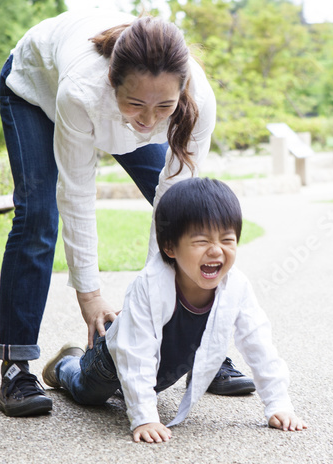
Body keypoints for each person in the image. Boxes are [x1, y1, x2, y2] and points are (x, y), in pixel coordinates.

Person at [0, 9, 255, 418]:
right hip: (33, 90)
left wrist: (157, 306)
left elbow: (174, 208)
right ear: (113, 84)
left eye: (164, 107)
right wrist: (91, 296)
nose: (150, 121)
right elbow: (77, 192)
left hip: (114, 107)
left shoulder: (198, 100)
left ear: (182, 89)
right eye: (137, 104)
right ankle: (16, 368)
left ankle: (199, 353)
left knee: (186, 217)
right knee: (38, 218)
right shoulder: (82, 91)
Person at [40, 178, 308, 443]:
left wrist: (279, 404)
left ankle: (131, 391)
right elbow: (136, 355)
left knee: (139, 388)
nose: (216, 250)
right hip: (112, 359)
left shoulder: (235, 285)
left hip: (160, 371)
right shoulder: (150, 286)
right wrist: (145, 417)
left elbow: (258, 341)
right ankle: (67, 362)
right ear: (169, 247)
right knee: (88, 395)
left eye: (227, 239)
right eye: (201, 241)